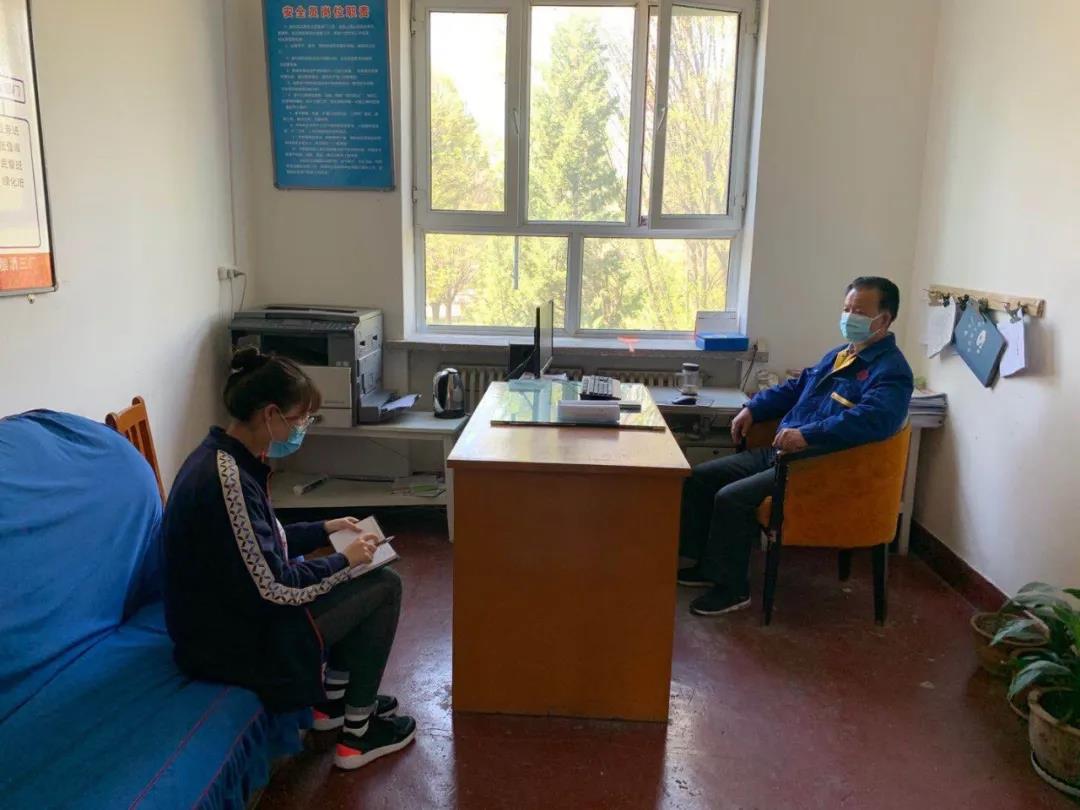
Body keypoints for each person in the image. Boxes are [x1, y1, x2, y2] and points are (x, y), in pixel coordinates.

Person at [161, 347, 415, 770]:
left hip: (231, 617)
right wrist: (344, 562)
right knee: (384, 586)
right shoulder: (227, 481)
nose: (303, 429)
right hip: (228, 644)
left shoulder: (226, 457)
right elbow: (274, 587)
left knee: (364, 575)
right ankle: (358, 735)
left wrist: (324, 529)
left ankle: (332, 705)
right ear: (271, 415)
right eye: (301, 419)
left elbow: (262, 542)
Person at [677, 277, 914, 617]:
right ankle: (707, 566)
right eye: (846, 309)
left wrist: (809, 434)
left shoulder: (891, 372)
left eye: (860, 312)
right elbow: (797, 386)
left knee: (732, 498)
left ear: (885, 319)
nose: (850, 317)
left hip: (816, 466)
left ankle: (732, 589)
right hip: (781, 454)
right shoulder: (841, 354)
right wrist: (753, 408)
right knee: (700, 477)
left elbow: (874, 420)